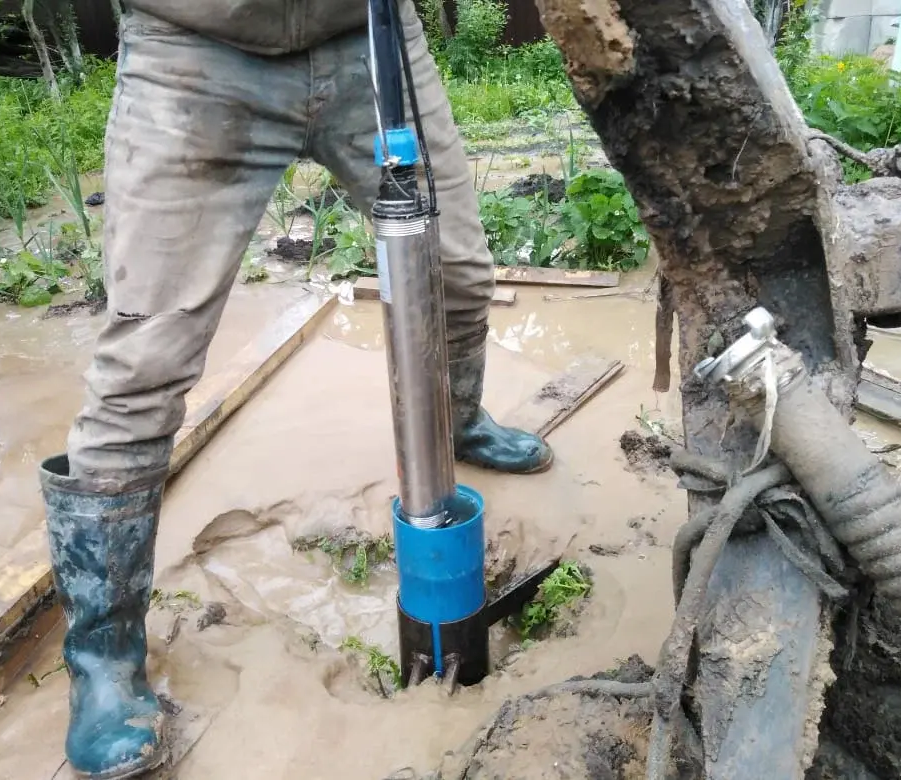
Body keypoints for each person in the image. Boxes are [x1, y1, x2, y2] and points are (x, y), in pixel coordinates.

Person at [38, 2, 554, 777]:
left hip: (369, 31)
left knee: (456, 278)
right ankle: (104, 658)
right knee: (145, 363)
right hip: (195, 48)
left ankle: (460, 423)